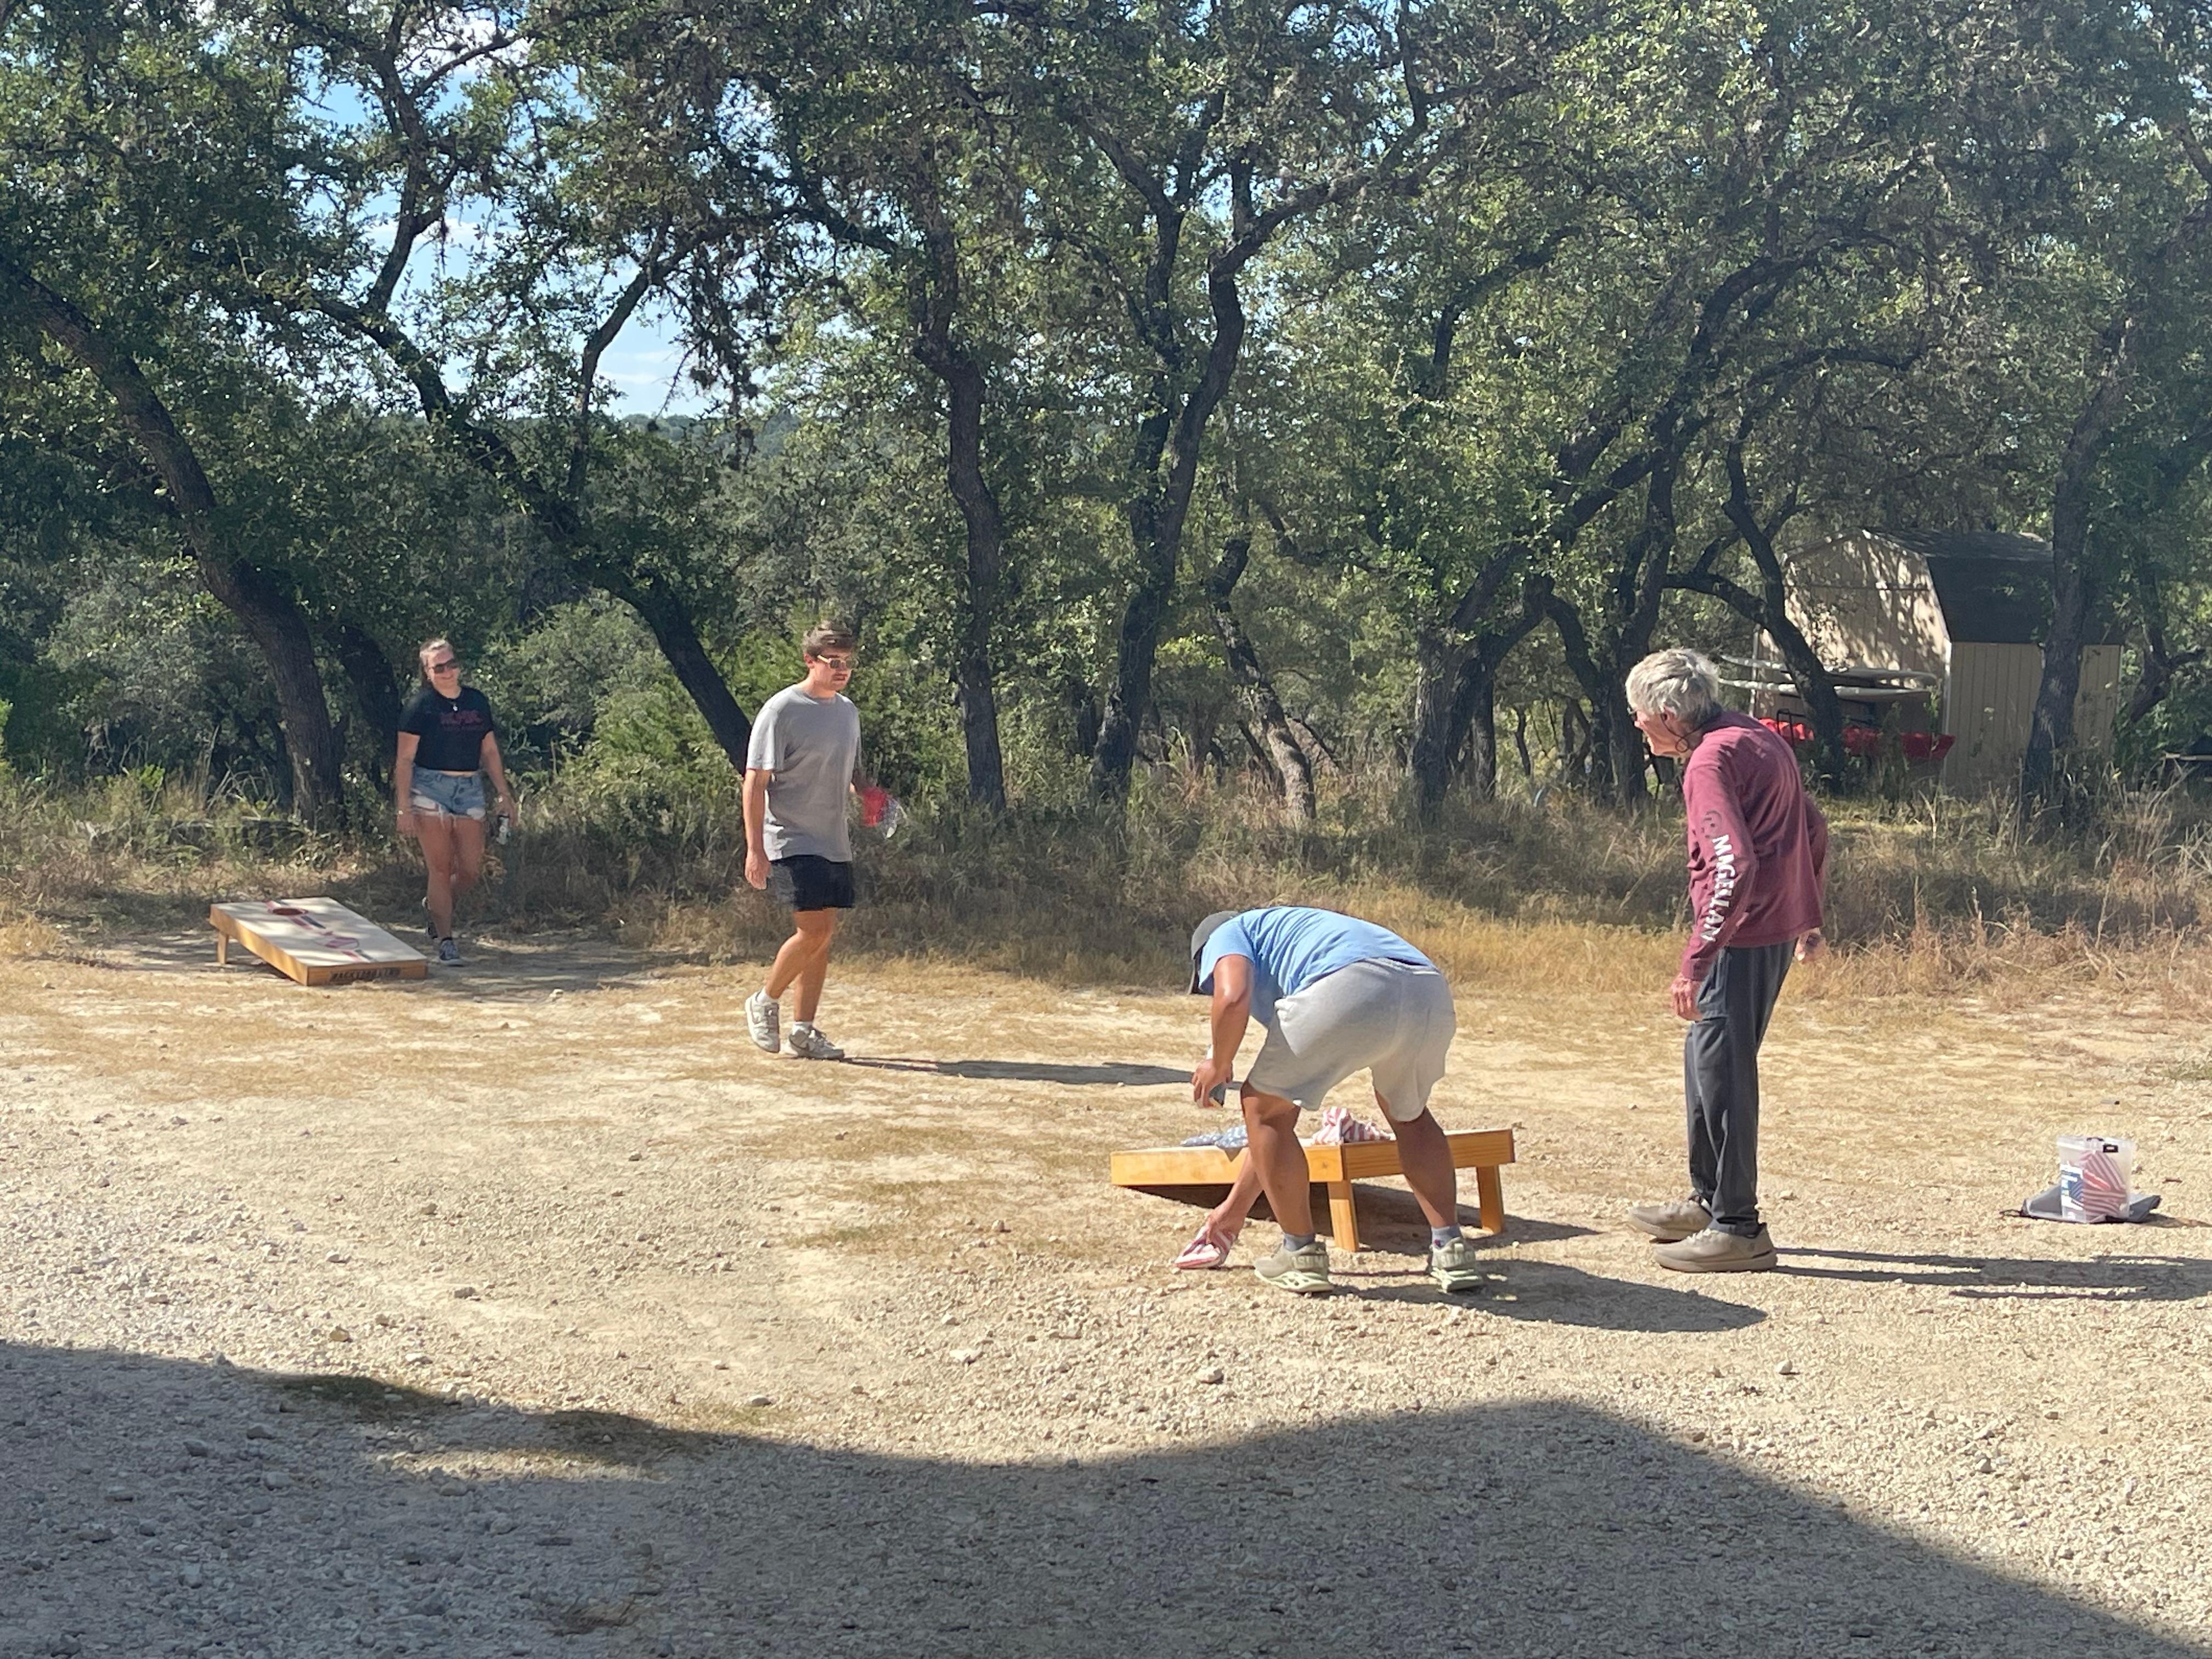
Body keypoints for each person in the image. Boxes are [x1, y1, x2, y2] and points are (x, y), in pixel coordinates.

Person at [1623, 648, 1829, 1272]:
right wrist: (1808, 913)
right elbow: (1814, 827)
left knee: (1725, 1075)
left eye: (1639, 714)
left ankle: (1739, 1227)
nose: (1636, 724)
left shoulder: (1710, 760)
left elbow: (1732, 864)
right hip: (1770, 928)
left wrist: (1696, 960)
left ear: (1667, 715)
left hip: (1742, 938)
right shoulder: (1756, 736)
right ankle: (1708, 1201)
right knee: (1705, 1064)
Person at [1187, 906, 1482, 1295]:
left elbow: (1232, 997)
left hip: (1352, 984)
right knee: (1408, 1115)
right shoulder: (1295, 935)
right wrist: (1232, 1212)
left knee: (1262, 1108)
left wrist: (1218, 1062)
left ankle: (1300, 1254)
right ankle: (1451, 1249)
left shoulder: (1228, 932)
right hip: (1428, 991)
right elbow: (1274, 1133)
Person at [741, 621, 890, 1061]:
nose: (842, 670)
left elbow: (849, 769)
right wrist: (755, 849)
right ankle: (764, 1001)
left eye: (848, 662)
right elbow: (755, 782)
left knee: (822, 938)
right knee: (814, 930)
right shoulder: (782, 710)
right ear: (810, 661)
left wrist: (867, 794)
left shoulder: (847, 712)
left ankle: (802, 1034)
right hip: (790, 837)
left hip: (832, 839)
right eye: (833, 661)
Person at [393, 638, 517, 966]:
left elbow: (489, 751)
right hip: (430, 787)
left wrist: (504, 794)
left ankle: (435, 906)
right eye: (439, 667)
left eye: (452, 664)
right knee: (440, 867)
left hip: (469, 787)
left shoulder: (477, 701)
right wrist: (404, 806)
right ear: (427, 672)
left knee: (470, 870)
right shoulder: (420, 706)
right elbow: (404, 760)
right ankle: (445, 940)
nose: (448, 672)